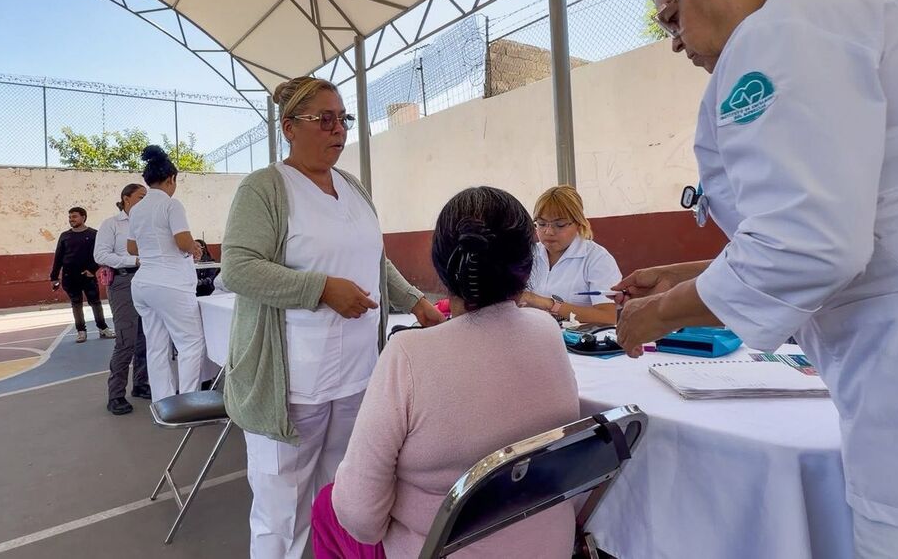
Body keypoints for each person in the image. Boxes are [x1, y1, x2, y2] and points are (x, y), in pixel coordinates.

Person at [614, 0, 898, 555]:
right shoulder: (852, 15)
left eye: (672, 17)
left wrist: (660, 315)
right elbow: (848, 221)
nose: (673, 42)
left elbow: (811, 244)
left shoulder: (777, 34)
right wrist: (687, 275)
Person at [220, 76, 445, 559]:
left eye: (343, 119)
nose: (338, 129)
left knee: (340, 498)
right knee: (282, 514)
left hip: (356, 376)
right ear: (289, 128)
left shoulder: (352, 186)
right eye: (324, 119)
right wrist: (321, 289)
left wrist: (415, 302)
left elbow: (373, 258)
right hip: (291, 387)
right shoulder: (265, 189)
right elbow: (238, 268)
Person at [312, 186, 582, 558]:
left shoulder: (407, 355)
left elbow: (360, 518)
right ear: (526, 263)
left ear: (442, 262)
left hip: (439, 549)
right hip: (550, 546)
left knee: (327, 506)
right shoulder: (547, 331)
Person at [127, 145, 212, 404]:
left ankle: (163, 403)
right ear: (171, 179)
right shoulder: (171, 205)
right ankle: (188, 404)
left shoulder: (136, 209)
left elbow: (131, 248)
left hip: (143, 283)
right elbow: (183, 241)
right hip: (170, 283)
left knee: (156, 346)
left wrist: (155, 246)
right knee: (191, 344)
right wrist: (194, 247)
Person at [521, 185, 621, 325]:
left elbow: (607, 317)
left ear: (578, 224)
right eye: (541, 224)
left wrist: (549, 304)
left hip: (580, 337)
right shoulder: (527, 255)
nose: (549, 232)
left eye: (560, 225)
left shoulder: (597, 259)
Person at [95, 184, 151, 415]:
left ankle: (140, 383)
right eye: (141, 197)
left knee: (145, 337)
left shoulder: (148, 222)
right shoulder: (112, 224)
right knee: (126, 338)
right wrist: (133, 260)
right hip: (123, 282)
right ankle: (116, 394)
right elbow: (100, 255)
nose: (145, 201)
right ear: (126, 199)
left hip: (148, 280)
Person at [50, 207, 114, 344]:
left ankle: (103, 328)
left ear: (83, 217)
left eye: (74, 216)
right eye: (70, 217)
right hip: (69, 276)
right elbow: (58, 257)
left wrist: (92, 269)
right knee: (76, 304)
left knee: (95, 303)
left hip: (88, 276)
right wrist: (54, 277)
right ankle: (81, 331)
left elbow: (100, 254)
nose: (71, 219)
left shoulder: (94, 234)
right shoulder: (65, 236)